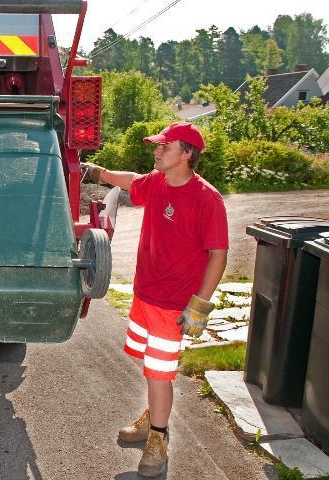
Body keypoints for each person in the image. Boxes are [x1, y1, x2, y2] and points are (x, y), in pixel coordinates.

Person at [87, 122, 229, 477]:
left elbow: (219, 255)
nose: (157, 150)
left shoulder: (206, 198)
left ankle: (159, 441)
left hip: (172, 304)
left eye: (165, 146)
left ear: (187, 154)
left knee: (159, 372)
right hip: (145, 295)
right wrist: (99, 171)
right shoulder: (157, 183)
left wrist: (200, 303)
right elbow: (131, 180)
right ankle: (154, 414)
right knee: (153, 368)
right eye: (158, 145)